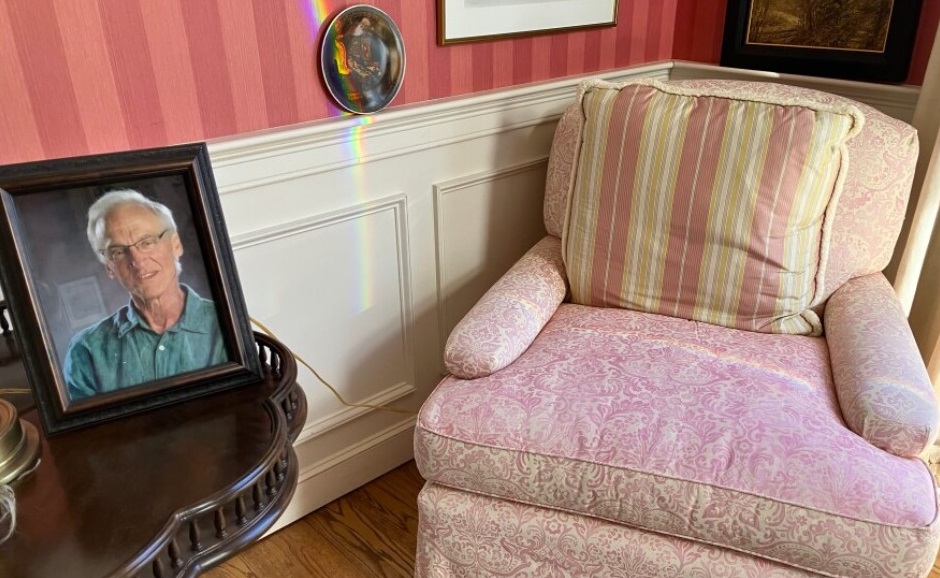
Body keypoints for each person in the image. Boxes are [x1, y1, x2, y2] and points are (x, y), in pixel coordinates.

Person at [63, 190, 227, 400]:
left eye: (147, 242)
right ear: (109, 268)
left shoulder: (225, 322)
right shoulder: (86, 350)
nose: (137, 260)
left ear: (175, 244)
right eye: (119, 252)